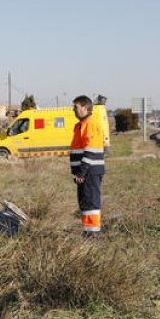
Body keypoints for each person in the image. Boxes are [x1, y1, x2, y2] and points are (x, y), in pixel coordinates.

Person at [70, 95, 106, 235]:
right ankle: (88, 232)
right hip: (86, 171)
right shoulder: (81, 125)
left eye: (76, 107)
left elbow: (91, 151)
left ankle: (93, 234)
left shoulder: (90, 124)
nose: (73, 110)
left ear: (85, 107)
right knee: (85, 202)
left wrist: (81, 172)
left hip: (89, 171)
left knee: (91, 203)